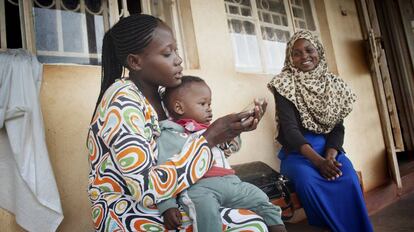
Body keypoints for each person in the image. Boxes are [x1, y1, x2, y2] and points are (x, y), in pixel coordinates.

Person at [87, 14, 268, 231]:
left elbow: (189, 152)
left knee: (255, 212)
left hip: (177, 198)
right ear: (135, 61)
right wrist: (209, 137)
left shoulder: (166, 98)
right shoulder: (122, 104)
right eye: (167, 53)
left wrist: (231, 132)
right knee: (250, 225)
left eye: (176, 50)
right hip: (129, 212)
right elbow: (145, 190)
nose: (178, 60)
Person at [267, 30, 374, 232]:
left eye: (309, 50)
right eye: (296, 53)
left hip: (329, 151)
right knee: (309, 183)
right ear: (290, 58)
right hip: (299, 154)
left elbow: (337, 127)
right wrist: (318, 162)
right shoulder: (284, 84)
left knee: (348, 177)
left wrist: (330, 157)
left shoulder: (335, 86)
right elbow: (289, 130)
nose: (304, 56)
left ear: (320, 51)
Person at [156, 75, 286, 232]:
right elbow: (163, 172)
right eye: (202, 103)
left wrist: (240, 128)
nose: (209, 108)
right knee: (206, 212)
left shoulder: (211, 130)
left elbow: (231, 147)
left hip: (231, 182)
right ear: (179, 108)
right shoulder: (170, 134)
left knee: (262, 200)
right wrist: (167, 206)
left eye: (209, 103)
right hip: (200, 187)